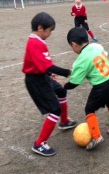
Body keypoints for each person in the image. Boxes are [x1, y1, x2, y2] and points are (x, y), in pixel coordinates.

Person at [22, 12, 77, 157]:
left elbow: (42, 64)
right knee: (54, 109)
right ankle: (39, 144)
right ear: (40, 28)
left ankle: (64, 121)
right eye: (49, 30)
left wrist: (49, 73)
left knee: (61, 91)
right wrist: (68, 72)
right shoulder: (34, 42)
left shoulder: (38, 40)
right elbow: (46, 65)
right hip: (36, 81)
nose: (50, 34)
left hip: (42, 76)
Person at [64, 27, 109, 150]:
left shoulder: (80, 60)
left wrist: (64, 86)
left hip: (102, 85)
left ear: (74, 44)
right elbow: (102, 57)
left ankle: (97, 137)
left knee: (89, 109)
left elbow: (74, 82)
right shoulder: (97, 46)